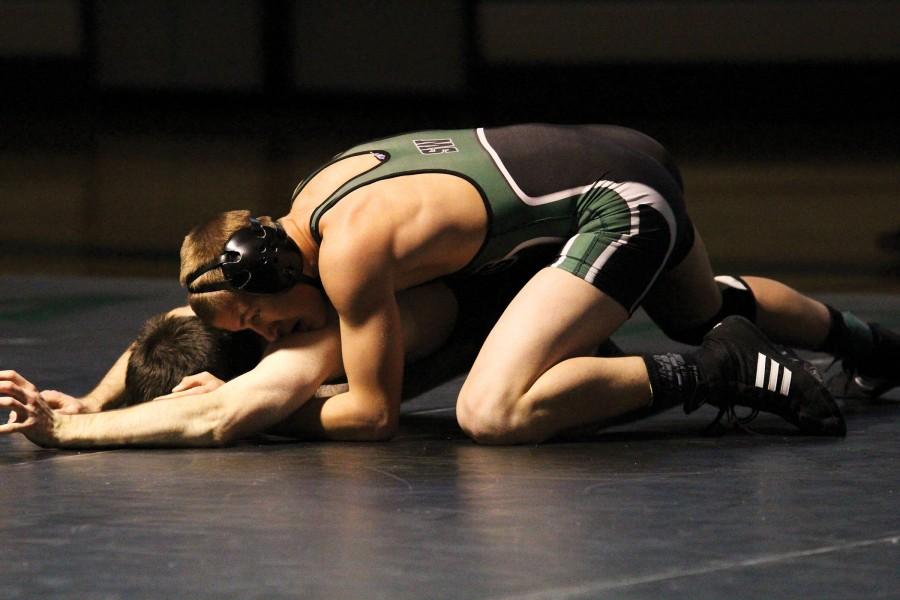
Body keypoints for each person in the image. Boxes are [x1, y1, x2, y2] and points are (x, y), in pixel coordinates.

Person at [170, 123, 897, 443]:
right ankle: (875, 346)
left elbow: (372, 416)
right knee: (701, 309)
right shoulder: (319, 192)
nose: (270, 336)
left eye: (259, 317)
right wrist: (99, 402)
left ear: (277, 267)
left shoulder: (347, 256)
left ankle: (718, 370)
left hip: (618, 205)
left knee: (493, 412)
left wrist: (251, 407)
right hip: (624, 155)